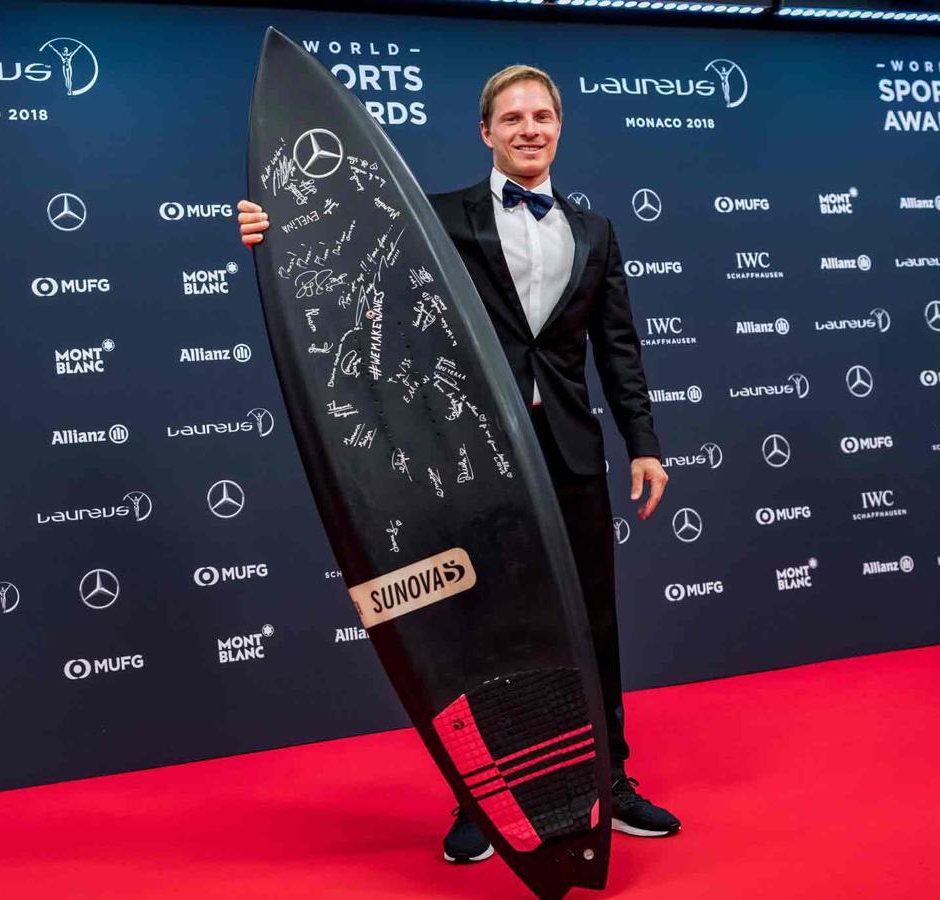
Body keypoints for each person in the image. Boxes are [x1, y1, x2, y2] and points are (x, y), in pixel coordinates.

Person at [237, 64, 679, 862]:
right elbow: (343, 252)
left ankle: (609, 782)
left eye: (542, 116)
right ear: (486, 133)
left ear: (559, 126)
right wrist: (271, 226)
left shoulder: (597, 231)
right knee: (482, 627)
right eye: (511, 118)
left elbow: (618, 350)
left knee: (593, 619)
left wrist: (642, 445)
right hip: (472, 452)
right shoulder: (438, 219)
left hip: (572, 454)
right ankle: (482, 799)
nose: (529, 129)